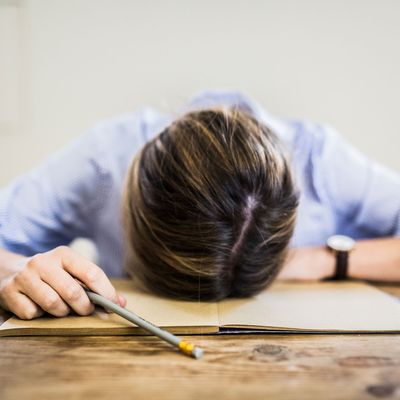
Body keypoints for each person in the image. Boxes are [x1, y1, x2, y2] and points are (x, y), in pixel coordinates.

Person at [0, 91, 399, 320]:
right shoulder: (104, 158)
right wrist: (18, 268)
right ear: (131, 191)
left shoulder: (320, 160)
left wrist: (330, 261)